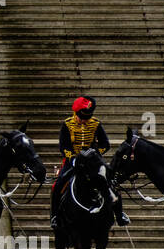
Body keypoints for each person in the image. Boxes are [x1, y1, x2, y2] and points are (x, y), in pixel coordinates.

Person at [51, 95, 129, 228]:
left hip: (93, 162)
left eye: (87, 117)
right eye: (82, 117)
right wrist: (72, 158)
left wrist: (95, 154)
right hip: (73, 161)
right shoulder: (67, 124)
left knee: (111, 182)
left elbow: (105, 144)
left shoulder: (96, 123)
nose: (84, 120)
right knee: (58, 185)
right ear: (76, 113)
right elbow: (63, 146)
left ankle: (120, 214)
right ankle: (55, 216)